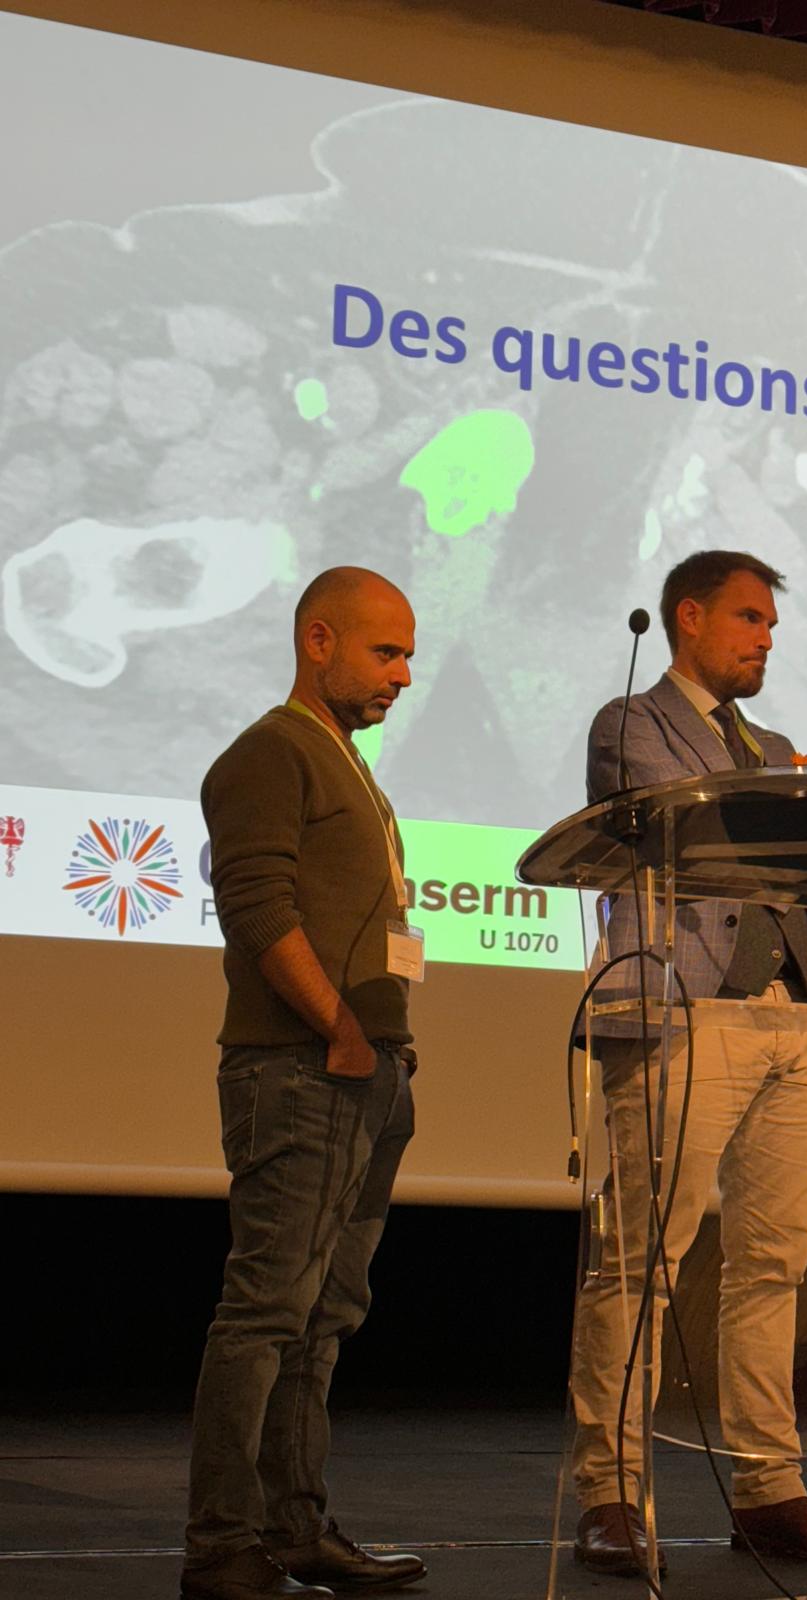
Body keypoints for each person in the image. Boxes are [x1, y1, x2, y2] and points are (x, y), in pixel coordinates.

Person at [571, 550, 807, 1575]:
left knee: (775, 1262)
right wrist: (786, 808)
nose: (767, 639)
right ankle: (612, 1492)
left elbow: (800, 864)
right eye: (750, 618)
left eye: (772, 625)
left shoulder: (777, 748)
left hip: (791, 1014)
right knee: (642, 1257)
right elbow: (684, 827)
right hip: (681, 1008)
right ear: (690, 618)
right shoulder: (631, 723)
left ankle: (768, 1490)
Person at [182, 567, 428, 1599]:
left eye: (408, 655)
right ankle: (222, 1545)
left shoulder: (346, 764)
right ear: (318, 641)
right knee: (268, 1309)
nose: (403, 675)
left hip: (367, 1071)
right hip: (301, 1067)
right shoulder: (269, 753)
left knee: (325, 1312)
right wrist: (339, 1028)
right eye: (386, 651)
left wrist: (381, 1047)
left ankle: (293, 1529)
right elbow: (257, 907)